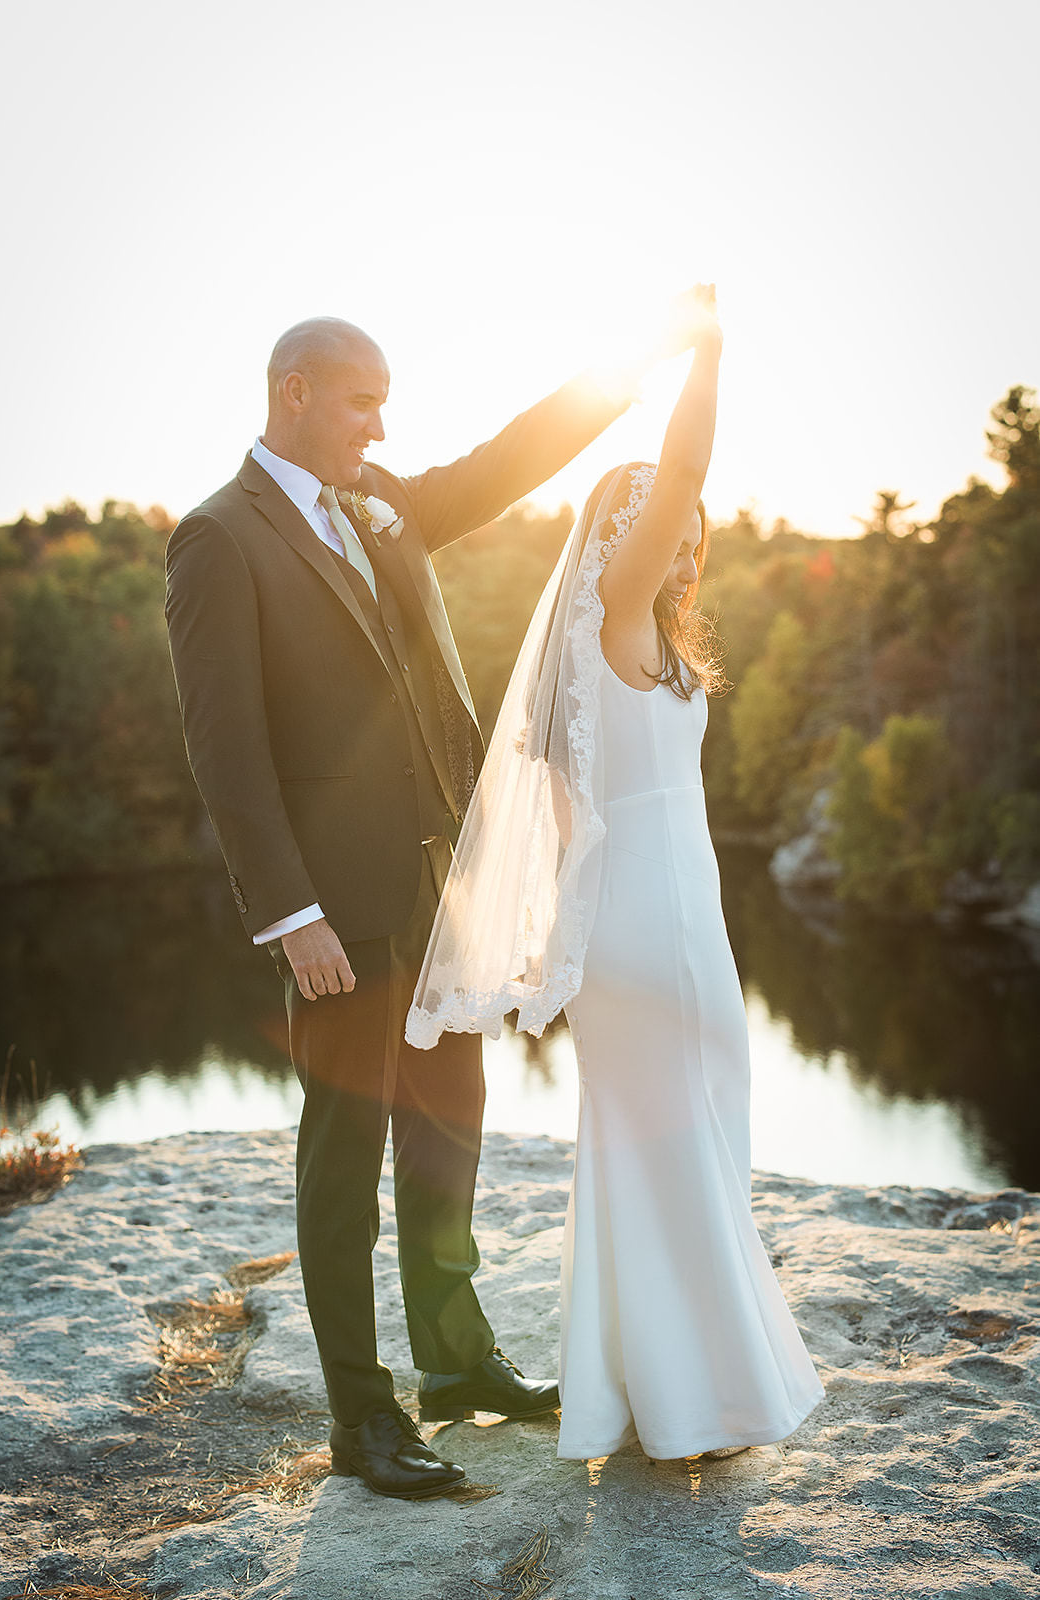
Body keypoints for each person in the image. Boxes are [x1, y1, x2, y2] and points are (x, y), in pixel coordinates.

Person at [164, 314, 686, 1499]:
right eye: (362, 403)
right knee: (342, 1158)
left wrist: (632, 370)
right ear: (293, 392)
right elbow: (226, 751)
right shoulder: (216, 540)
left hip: (440, 890)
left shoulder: (381, 501)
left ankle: (455, 1367)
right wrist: (288, 913)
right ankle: (362, 1419)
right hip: (334, 915)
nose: (382, 426)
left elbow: (502, 463)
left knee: (449, 1126)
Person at [407, 286, 825, 1461]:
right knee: (683, 1144)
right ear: (619, 536)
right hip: (660, 925)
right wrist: (705, 356)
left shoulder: (619, 655)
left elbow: (558, 819)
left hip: (656, 920)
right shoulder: (613, 613)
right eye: (663, 527)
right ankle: (702, 1402)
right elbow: (682, 469)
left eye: (687, 535)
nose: (685, 541)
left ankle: (651, 1399)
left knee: (659, 1149)